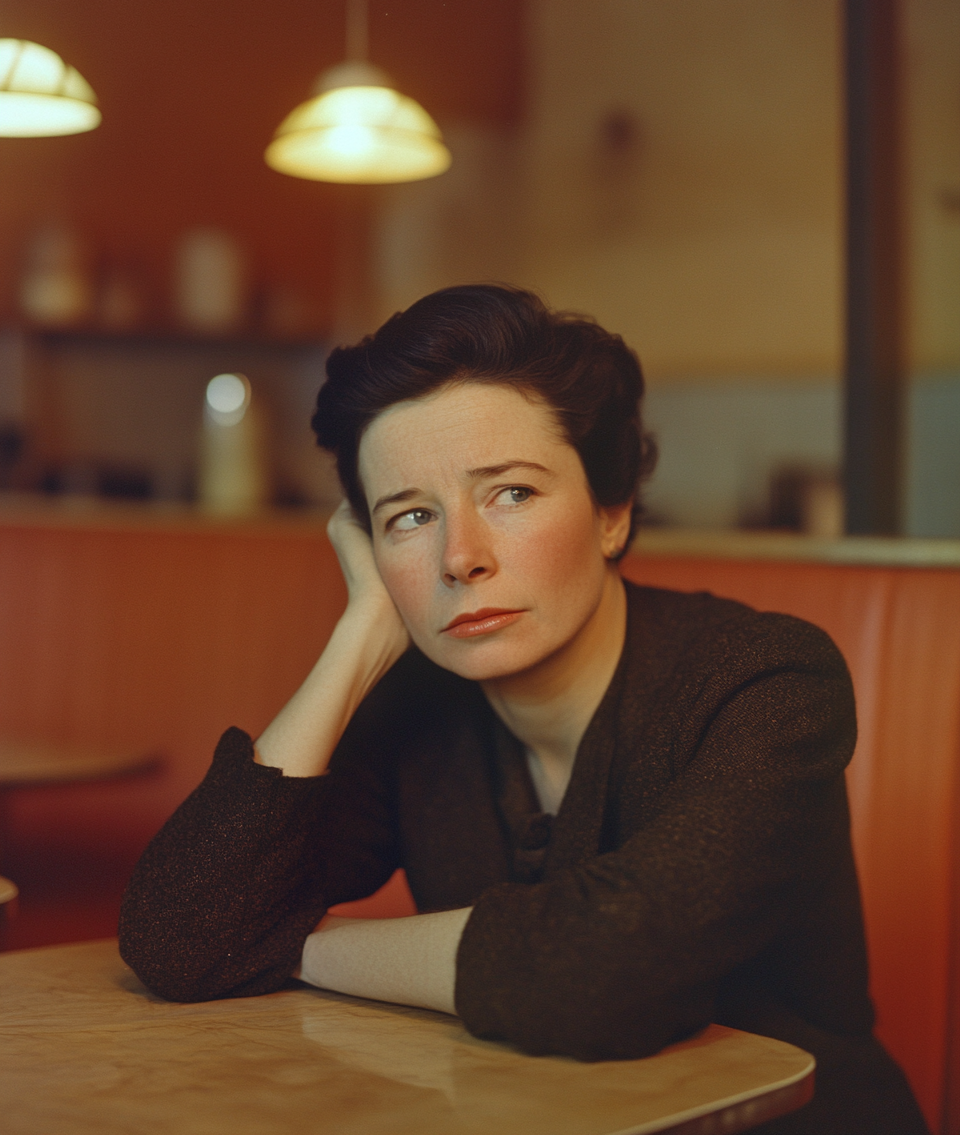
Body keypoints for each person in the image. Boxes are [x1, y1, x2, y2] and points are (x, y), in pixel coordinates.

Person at [120, 285, 928, 1134]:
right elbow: (182, 934)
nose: (458, 558)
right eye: (410, 517)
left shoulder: (767, 682)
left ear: (611, 513)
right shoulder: (421, 711)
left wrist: (291, 948)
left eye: (510, 494)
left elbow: (605, 976)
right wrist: (358, 638)